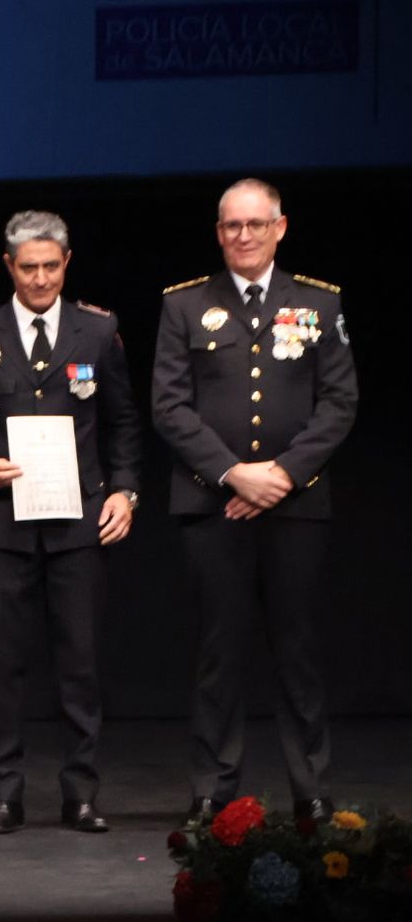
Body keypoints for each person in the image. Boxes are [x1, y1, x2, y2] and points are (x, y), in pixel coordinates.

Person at [152, 178, 357, 827]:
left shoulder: (319, 303)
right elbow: (169, 406)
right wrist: (235, 474)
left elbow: (340, 403)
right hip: (214, 505)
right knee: (220, 650)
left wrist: (282, 476)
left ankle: (312, 788)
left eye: (255, 224)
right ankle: (213, 788)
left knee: (297, 650)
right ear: (219, 233)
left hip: (296, 505)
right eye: (232, 226)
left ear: (280, 227)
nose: (243, 235)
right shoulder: (186, 305)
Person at [0, 211, 144, 835]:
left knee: (79, 664)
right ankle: (5, 793)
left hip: (78, 525)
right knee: (3, 667)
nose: (40, 279)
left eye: (51, 267)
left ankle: (80, 793)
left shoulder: (97, 329)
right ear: (9, 267)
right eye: (28, 268)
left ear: (67, 262)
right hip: (3, 526)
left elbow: (123, 422)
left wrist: (126, 492)